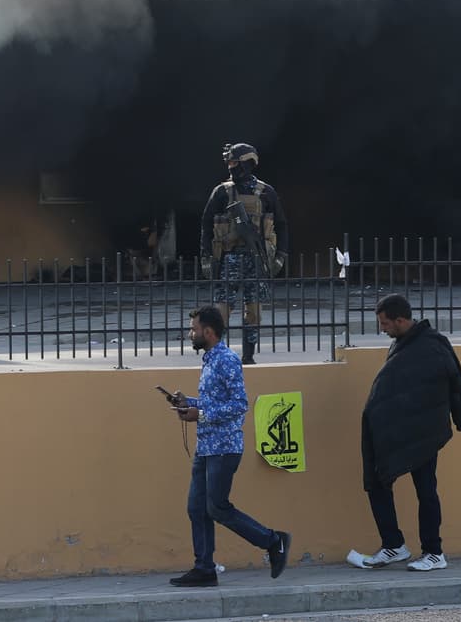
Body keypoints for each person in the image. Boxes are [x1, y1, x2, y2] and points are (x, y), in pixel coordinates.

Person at [164, 304, 291, 588]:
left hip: (224, 448)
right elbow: (213, 402)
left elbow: (239, 405)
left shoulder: (227, 360)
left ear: (208, 332)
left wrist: (202, 414)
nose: (190, 334)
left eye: (194, 329)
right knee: (196, 509)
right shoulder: (209, 360)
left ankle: (273, 541)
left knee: (218, 508)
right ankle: (204, 568)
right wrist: (189, 403)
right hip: (206, 446)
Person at [350, 293, 461, 573]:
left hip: (424, 433)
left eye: (384, 323)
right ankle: (393, 544)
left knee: (426, 491)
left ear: (401, 320)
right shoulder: (402, 344)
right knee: (378, 482)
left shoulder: (432, 345)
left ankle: (433, 552)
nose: (382, 328)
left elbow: (457, 383)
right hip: (400, 432)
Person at [199, 143, 289, 365]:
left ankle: (248, 356)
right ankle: (218, 355)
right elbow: (206, 223)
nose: (231, 167)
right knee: (221, 311)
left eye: (234, 163)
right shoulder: (222, 191)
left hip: (257, 259)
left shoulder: (266, 192)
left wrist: (280, 256)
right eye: (229, 163)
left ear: (247, 163)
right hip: (228, 257)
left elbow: (281, 225)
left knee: (254, 310)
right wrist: (207, 256)